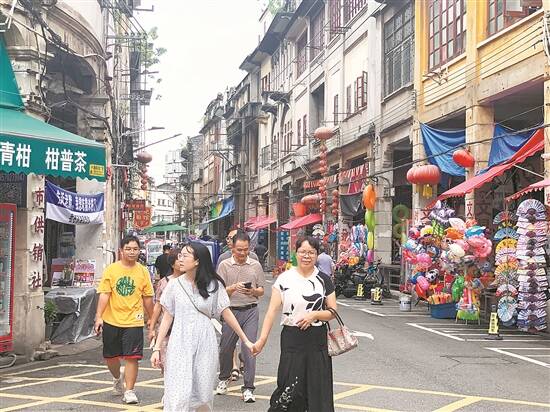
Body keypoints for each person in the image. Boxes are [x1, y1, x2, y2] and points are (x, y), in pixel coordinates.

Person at [150, 242, 253, 411]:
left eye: (185, 256)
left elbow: (226, 312)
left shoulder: (214, 285)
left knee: (203, 395)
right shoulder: (174, 285)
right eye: (180, 255)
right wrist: (156, 348)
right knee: (178, 393)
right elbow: (167, 317)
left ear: (197, 261)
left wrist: (245, 340)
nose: (180, 259)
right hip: (180, 341)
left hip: (205, 341)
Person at [253, 236, 337, 412]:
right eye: (302, 252)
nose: (306, 256)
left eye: (311, 252)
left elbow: (332, 311)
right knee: (289, 384)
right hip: (292, 338)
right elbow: (271, 311)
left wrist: (314, 315)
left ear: (317, 255)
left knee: (317, 386)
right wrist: (262, 339)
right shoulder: (284, 279)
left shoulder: (324, 280)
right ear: (296, 253)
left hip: (317, 340)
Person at [94, 235, 154, 405]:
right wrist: (99, 317)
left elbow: (148, 297)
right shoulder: (111, 270)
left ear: (139, 251)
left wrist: (152, 318)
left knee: (132, 357)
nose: (132, 252)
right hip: (112, 320)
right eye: (128, 249)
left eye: (135, 249)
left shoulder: (143, 271)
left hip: (134, 321)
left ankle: (129, 391)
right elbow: (104, 294)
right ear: (121, 251)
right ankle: (116, 378)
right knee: (111, 357)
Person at [216, 232, 265, 403]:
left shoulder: (255, 265)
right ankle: (224, 378)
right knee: (226, 348)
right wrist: (232, 288)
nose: (243, 253)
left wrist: (253, 291)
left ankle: (249, 387)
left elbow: (261, 290)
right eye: (239, 250)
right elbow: (218, 292)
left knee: (249, 348)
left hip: (251, 310)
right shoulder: (224, 265)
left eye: (245, 249)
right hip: (230, 311)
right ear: (232, 248)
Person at [148, 248, 184, 375]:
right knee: (166, 363)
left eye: (184, 258)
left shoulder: (193, 282)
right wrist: (152, 328)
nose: (182, 262)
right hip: (167, 329)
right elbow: (158, 306)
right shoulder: (164, 283)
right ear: (172, 263)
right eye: (179, 259)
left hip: (185, 328)